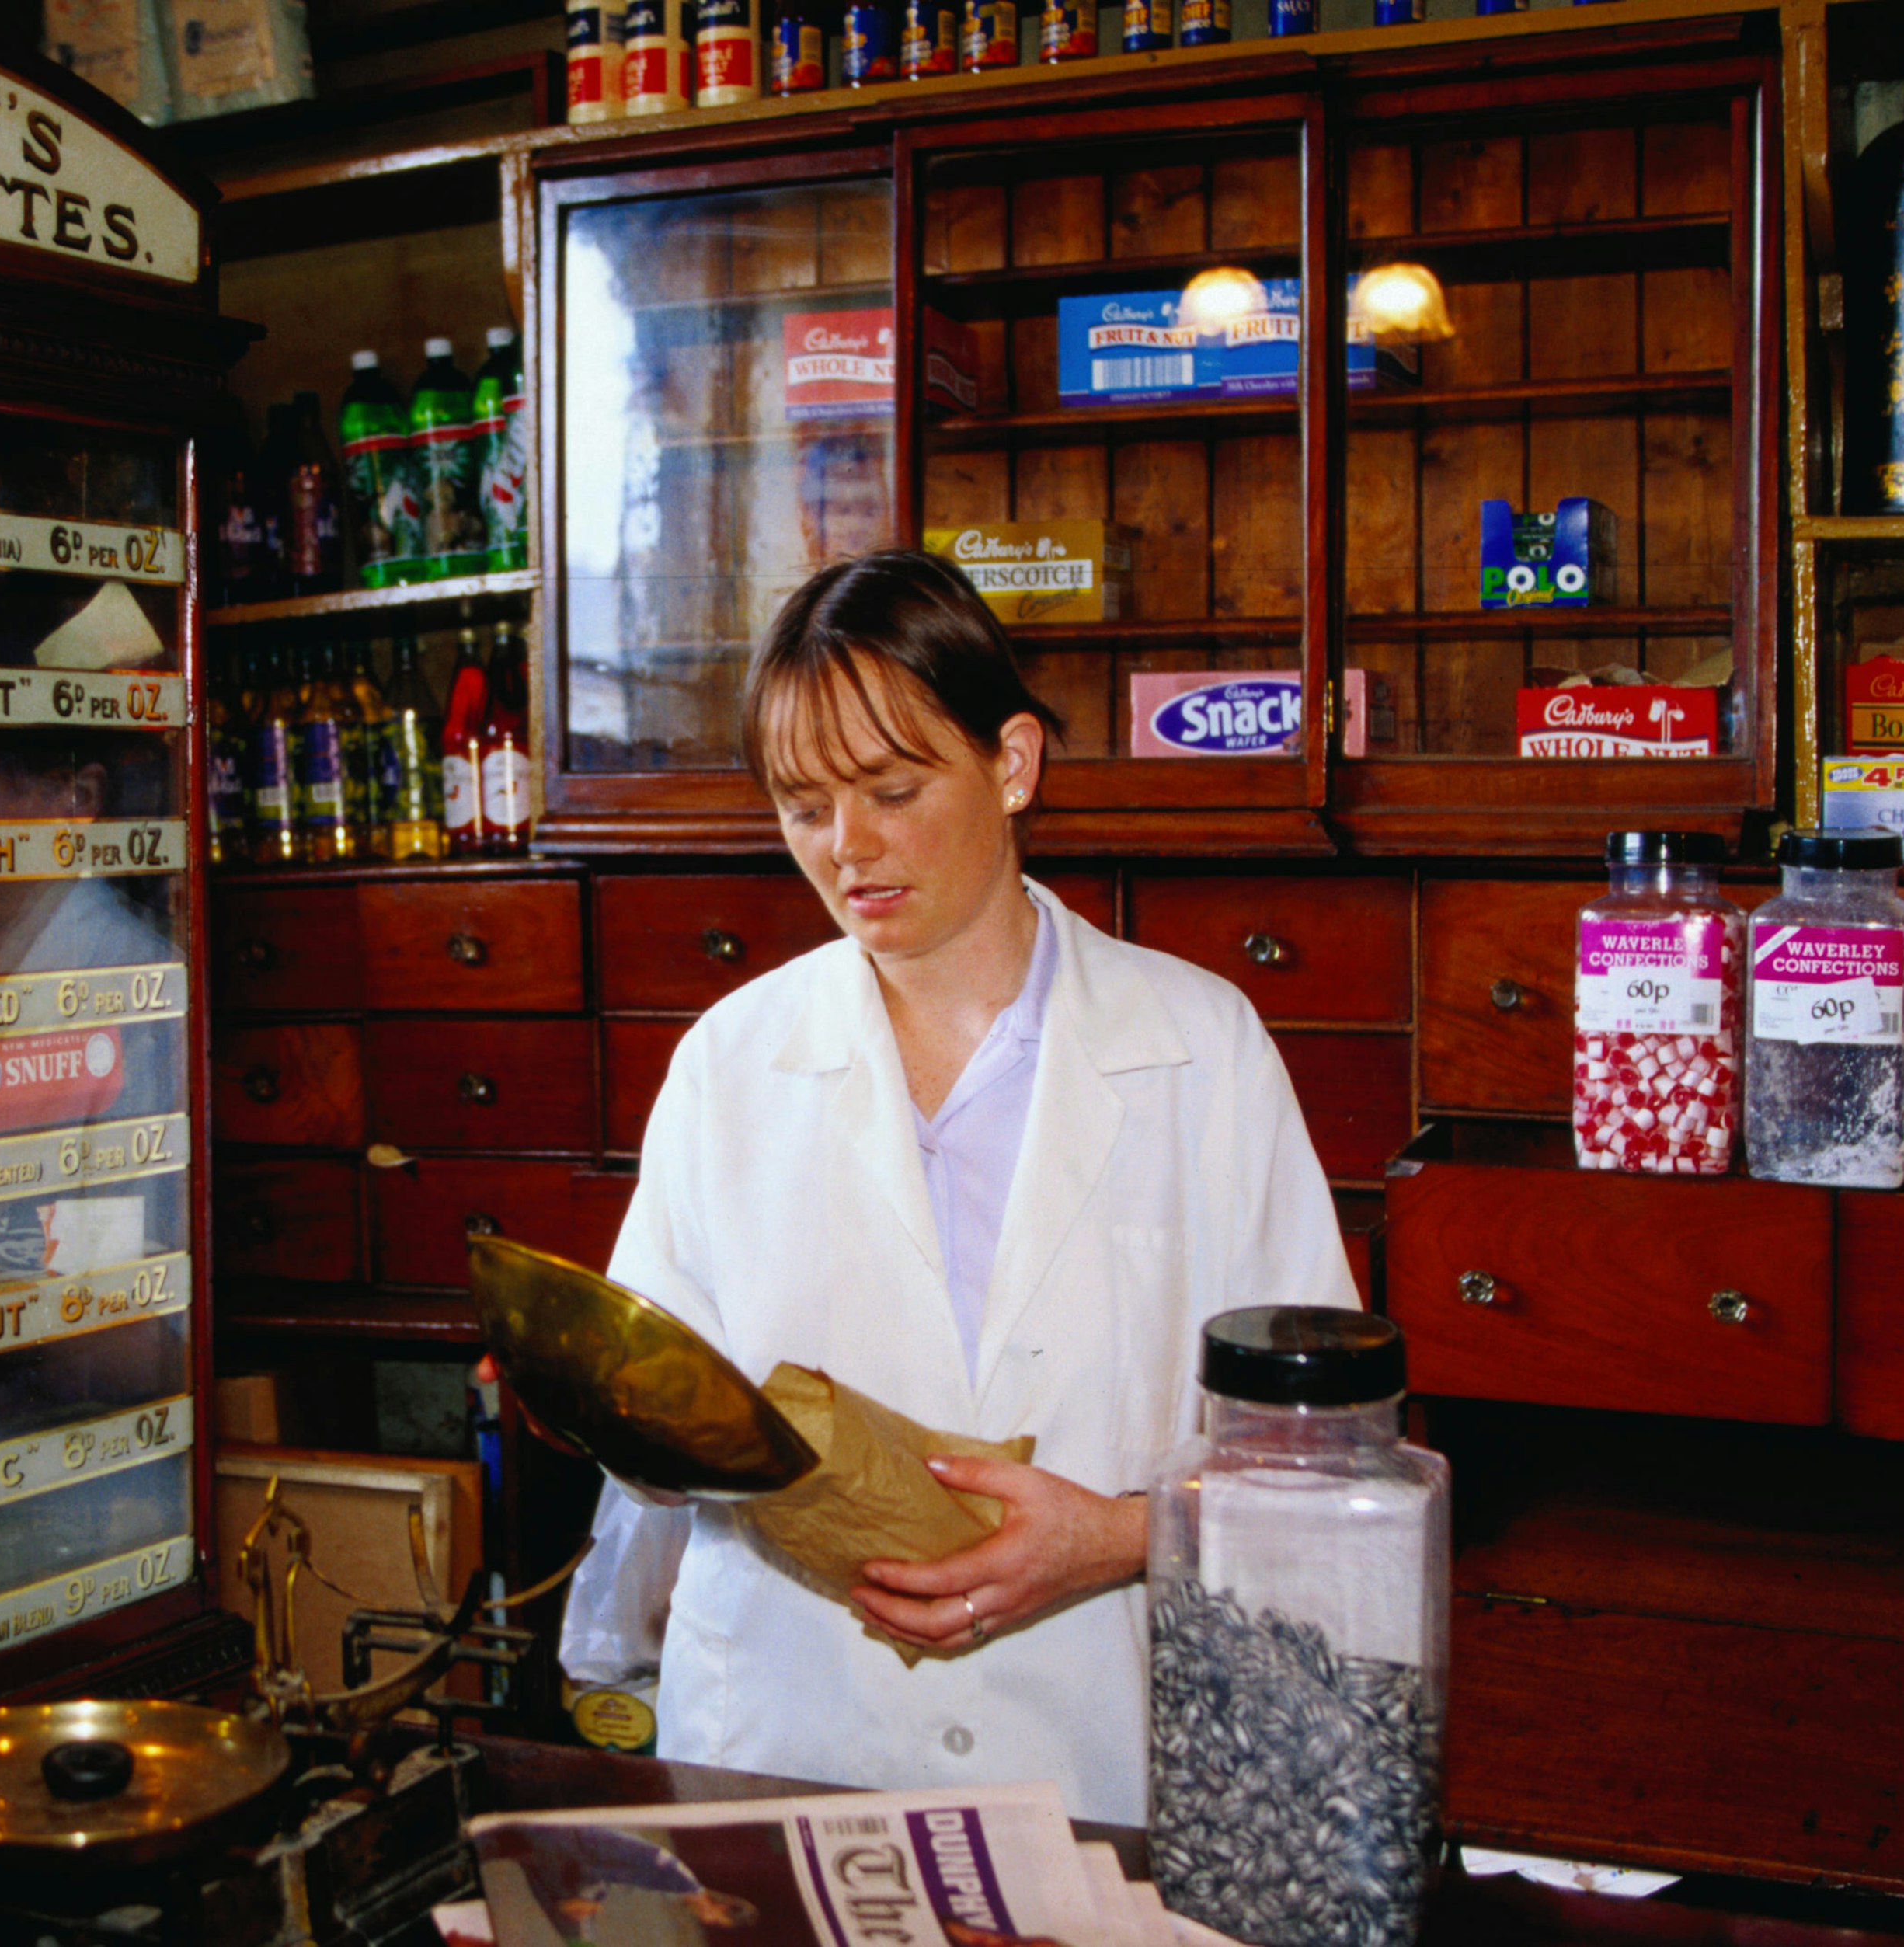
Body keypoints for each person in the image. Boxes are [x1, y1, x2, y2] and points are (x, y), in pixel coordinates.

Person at [560, 551, 1356, 1823]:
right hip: (789, 1746)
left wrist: (1118, 1536)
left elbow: (1324, 1463)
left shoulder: (1201, 1048)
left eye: (892, 788)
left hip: (1100, 1753)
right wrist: (593, 1393)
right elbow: (661, 1437)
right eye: (804, 804)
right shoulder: (728, 1062)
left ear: (1014, 763)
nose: (847, 849)